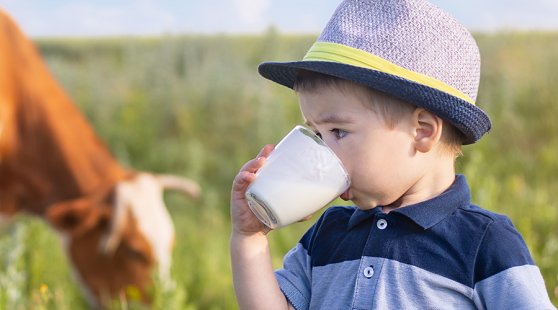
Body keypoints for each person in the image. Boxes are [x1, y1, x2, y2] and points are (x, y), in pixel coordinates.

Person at [229, 0, 556, 309]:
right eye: (316, 133)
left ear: (422, 131)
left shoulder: (484, 243)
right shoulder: (328, 234)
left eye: (338, 132)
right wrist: (250, 238)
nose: (321, 151)